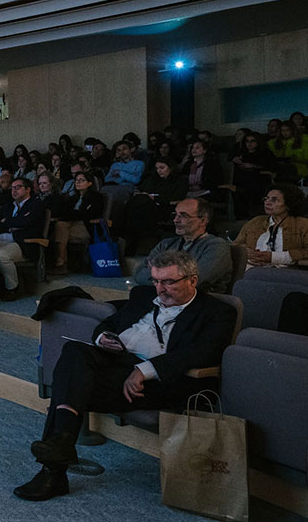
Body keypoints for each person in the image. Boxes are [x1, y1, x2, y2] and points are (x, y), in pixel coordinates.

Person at [13, 251, 236, 502]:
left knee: (70, 384)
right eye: (156, 281)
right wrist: (102, 338)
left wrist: (144, 370)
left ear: (193, 280)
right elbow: (109, 322)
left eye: (168, 282)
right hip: (116, 361)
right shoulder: (143, 296)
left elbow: (201, 353)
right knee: (74, 350)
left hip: (161, 380)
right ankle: (61, 447)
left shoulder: (217, 312)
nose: (160, 289)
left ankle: (54, 469)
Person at [133, 198, 232, 293]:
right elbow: (139, 274)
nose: (176, 220)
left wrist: (157, 273)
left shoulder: (216, 246)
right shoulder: (166, 244)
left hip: (199, 303)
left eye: (184, 216)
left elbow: (193, 282)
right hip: (164, 300)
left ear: (203, 221)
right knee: (137, 294)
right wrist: (175, 276)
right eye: (175, 215)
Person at [0, 178, 45, 300]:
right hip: (0, 240)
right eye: (12, 188)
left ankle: (13, 288)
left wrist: (6, 223)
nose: (14, 190)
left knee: (1, 255)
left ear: (28, 189)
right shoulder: (7, 206)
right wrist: (12, 225)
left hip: (21, 243)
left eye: (18, 187)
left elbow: (27, 223)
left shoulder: (35, 204)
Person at [232, 184, 308, 270]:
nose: (267, 202)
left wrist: (275, 257)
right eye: (266, 198)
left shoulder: (303, 224)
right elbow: (235, 245)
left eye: (274, 200)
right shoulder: (256, 221)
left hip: (285, 271)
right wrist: (245, 252)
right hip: (251, 268)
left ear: (288, 204)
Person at [50, 172, 104, 277]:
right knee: (60, 226)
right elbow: (65, 212)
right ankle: (61, 264)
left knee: (58, 230)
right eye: (76, 180)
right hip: (70, 225)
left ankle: (61, 264)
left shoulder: (96, 197)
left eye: (81, 180)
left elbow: (91, 214)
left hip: (86, 227)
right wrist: (78, 214)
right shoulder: (73, 198)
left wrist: (76, 214)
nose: (77, 182)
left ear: (89, 183)